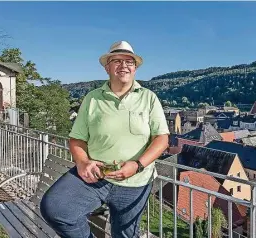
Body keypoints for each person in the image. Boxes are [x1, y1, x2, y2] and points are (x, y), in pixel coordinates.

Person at [40, 41, 170, 238]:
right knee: (56, 209)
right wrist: (82, 162)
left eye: (129, 61)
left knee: (125, 235)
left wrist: (137, 165)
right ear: (106, 67)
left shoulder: (149, 98)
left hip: (135, 181)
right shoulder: (92, 98)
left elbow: (162, 139)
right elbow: (77, 139)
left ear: (135, 68)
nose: (124, 65)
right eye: (116, 61)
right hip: (95, 176)